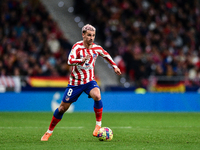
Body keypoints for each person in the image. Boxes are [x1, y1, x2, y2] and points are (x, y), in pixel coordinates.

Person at [41, 24, 121, 141]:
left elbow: (106, 55)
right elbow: (69, 60)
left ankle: (98, 125)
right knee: (62, 108)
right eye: (89, 35)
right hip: (75, 84)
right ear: (83, 35)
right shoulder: (77, 47)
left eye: (93, 35)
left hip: (89, 81)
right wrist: (80, 60)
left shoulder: (96, 48)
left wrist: (114, 66)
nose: (91, 38)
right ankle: (49, 132)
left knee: (97, 96)